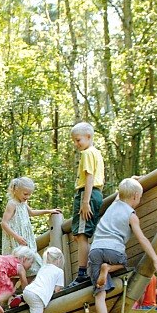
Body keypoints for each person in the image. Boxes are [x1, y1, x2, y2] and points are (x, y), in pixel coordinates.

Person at [87, 177, 157, 313]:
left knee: (99, 293)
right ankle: (109, 269)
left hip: (95, 250)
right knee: (123, 263)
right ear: (136, 196)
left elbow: (121, 192)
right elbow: (142, 239)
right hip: (114, 251)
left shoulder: (113, 205)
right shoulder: (131, 215)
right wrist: (156, 261)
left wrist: (130, 179)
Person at [67, 122, 105, 288]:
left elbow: (89, 177)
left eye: (78, 140)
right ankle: (87, 269)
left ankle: (82, 273)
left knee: (82, 235)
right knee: (79, 235)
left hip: (86, 194)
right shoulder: (96, 153)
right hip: (93, 194)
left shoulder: (88, 153)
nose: (76, 144)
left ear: (89, 137)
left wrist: (85, 202)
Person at [1, 177, 60, 276]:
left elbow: (32, 212)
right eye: (25, 194)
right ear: (16, 190)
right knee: (17, 267)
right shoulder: (12, 204)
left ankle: (27, 287)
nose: (27, 197)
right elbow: (4, 223)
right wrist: (17, 237)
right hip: (16, 241)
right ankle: (12, 289)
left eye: (29, 194)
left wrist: (49, 211)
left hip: (25, 240)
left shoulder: (23, 203)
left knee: (33, 265)